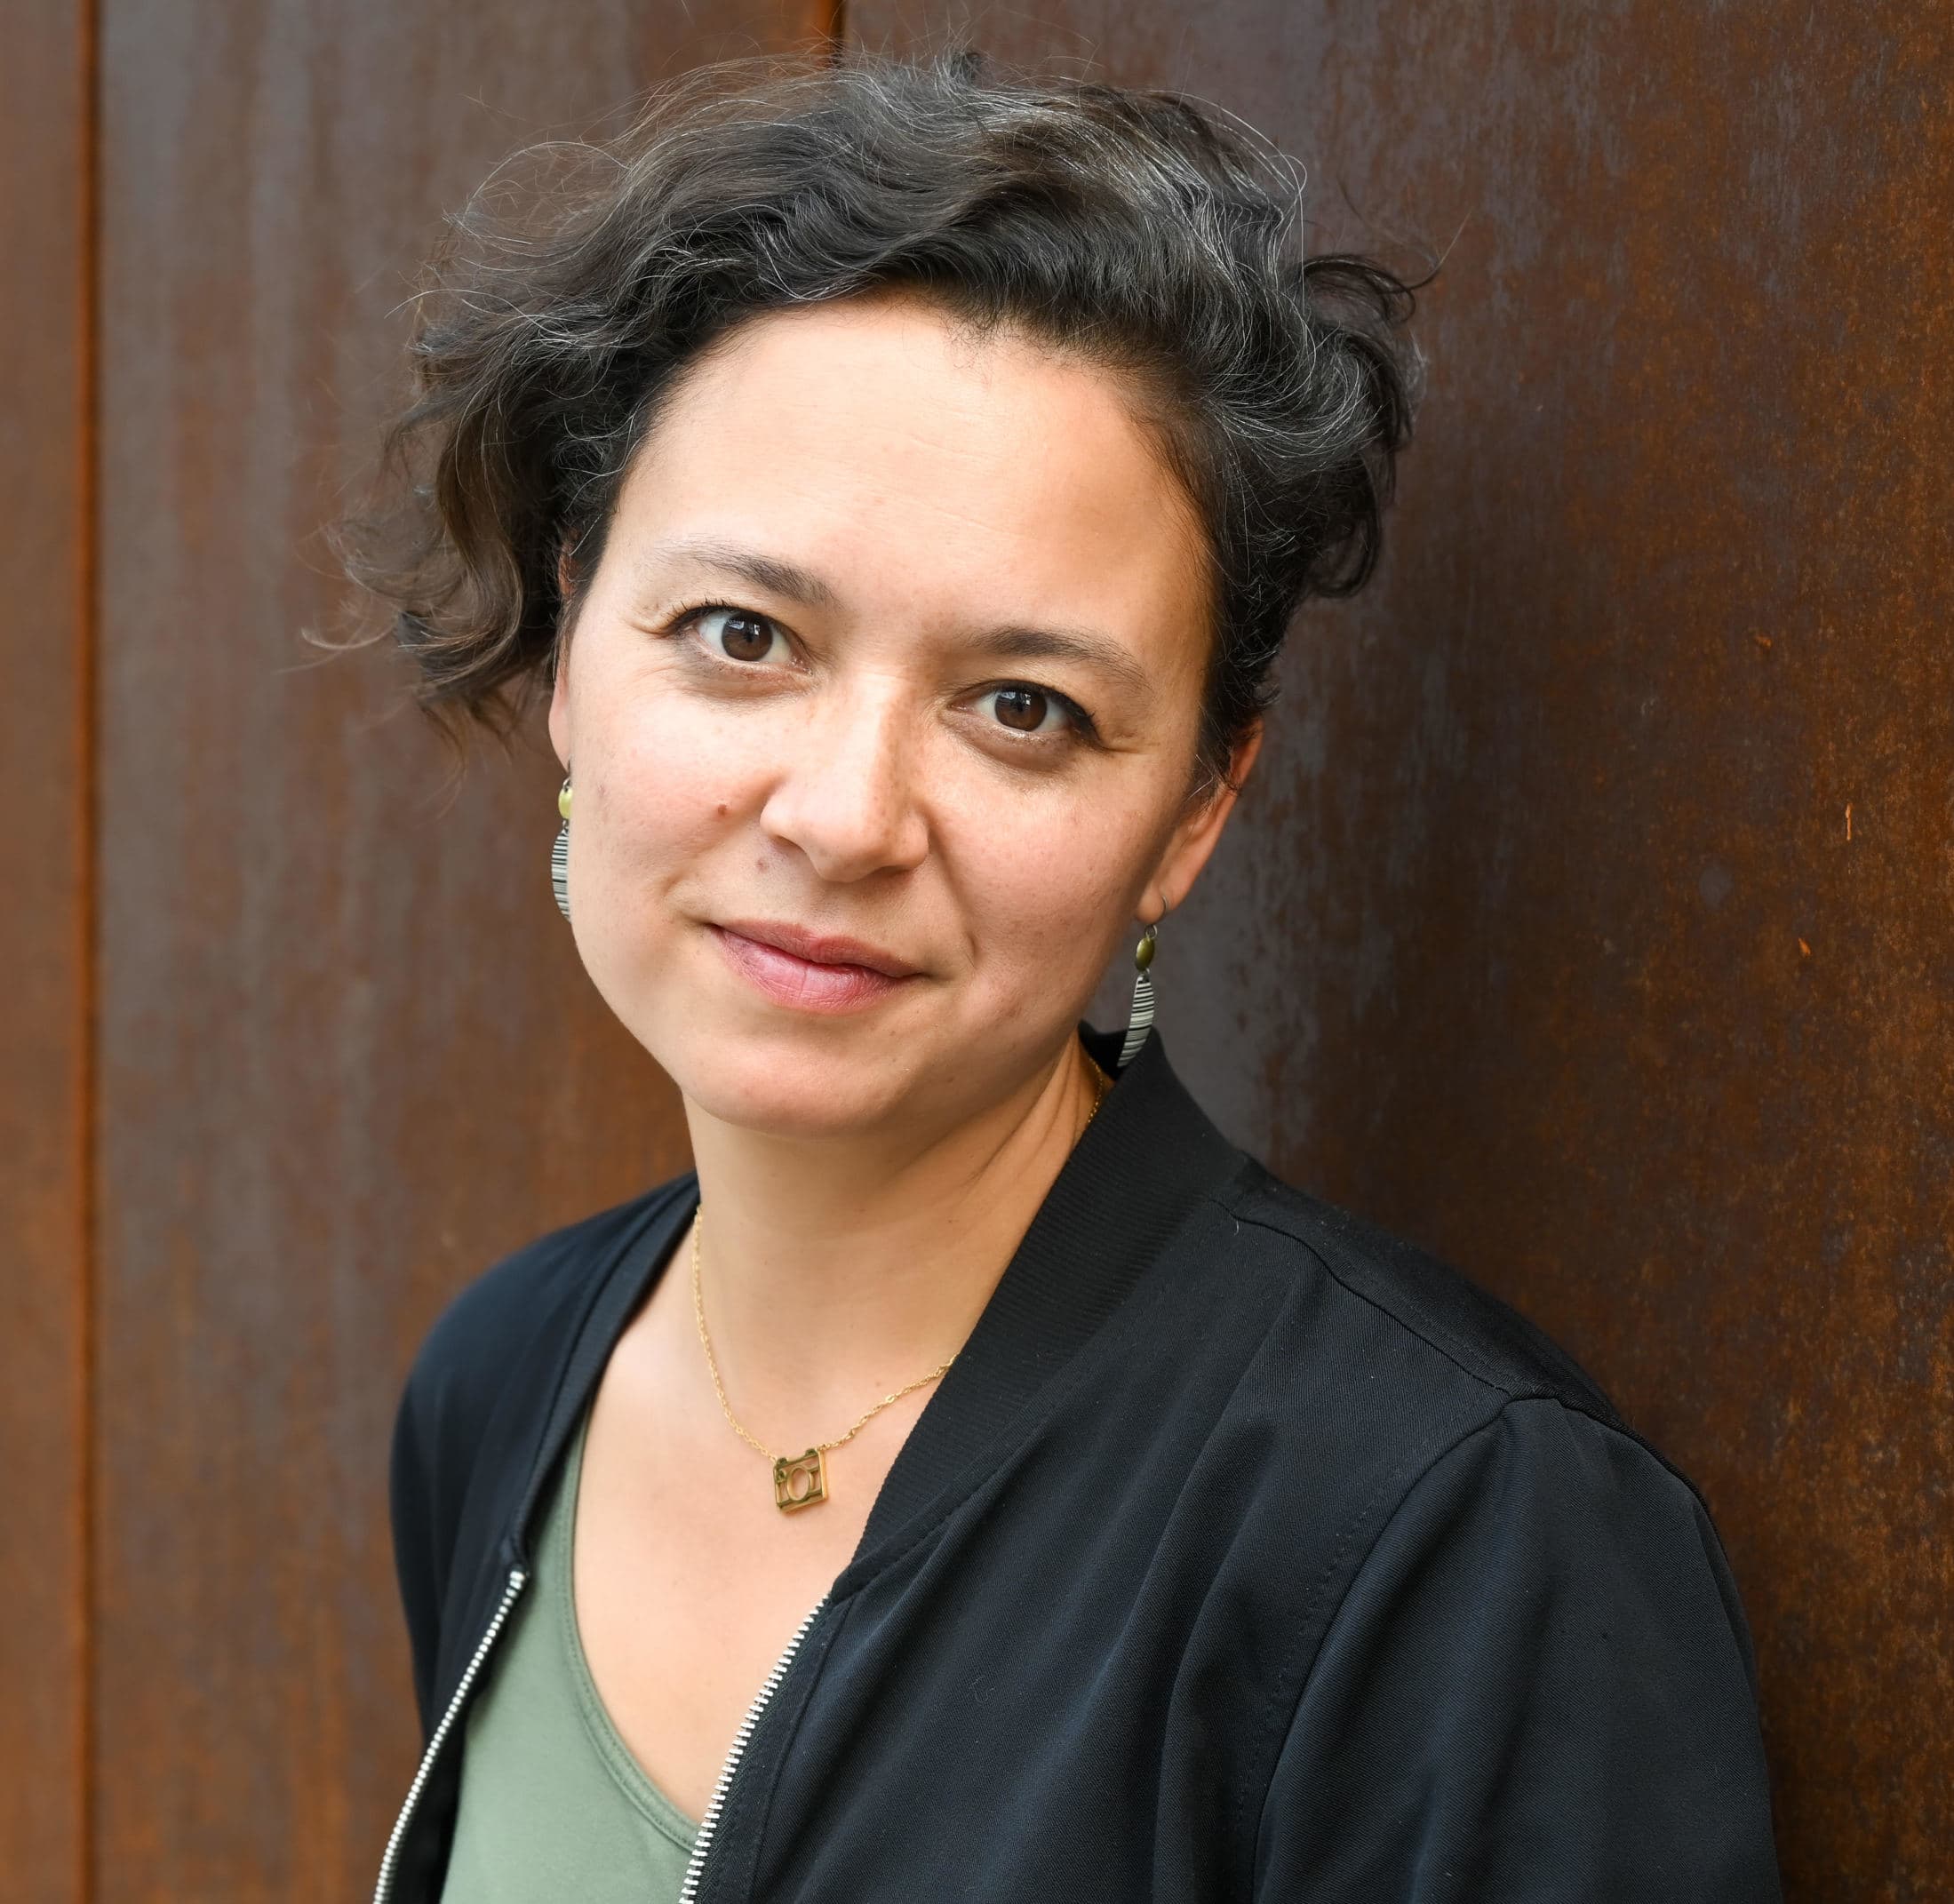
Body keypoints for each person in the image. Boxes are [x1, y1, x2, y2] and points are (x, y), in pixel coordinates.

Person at [336, 45, 1783, 1904]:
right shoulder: (504, 1381)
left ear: (1193, 810)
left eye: (1022, 707)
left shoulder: (1454, 1530)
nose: (844, 815)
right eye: (742, 633)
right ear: (569, 654)